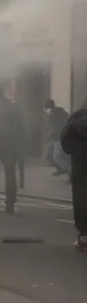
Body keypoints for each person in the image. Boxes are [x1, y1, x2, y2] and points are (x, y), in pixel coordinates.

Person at [60, 98, 87, 250]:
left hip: (81, 165)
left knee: (81, 197)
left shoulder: (74, 122)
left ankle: (84, 235)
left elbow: (65, 143)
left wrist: (76, 151)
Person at [45, 98, 70, 176]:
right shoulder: (56, 112)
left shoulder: (55, 113)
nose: (45, 109)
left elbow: (57, 126)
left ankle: (71, 173)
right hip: (56, 138)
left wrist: (49, 135)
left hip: (59, 138)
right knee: (48, 154)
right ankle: (60, 168)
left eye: (46, 107)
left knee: (57, 157)